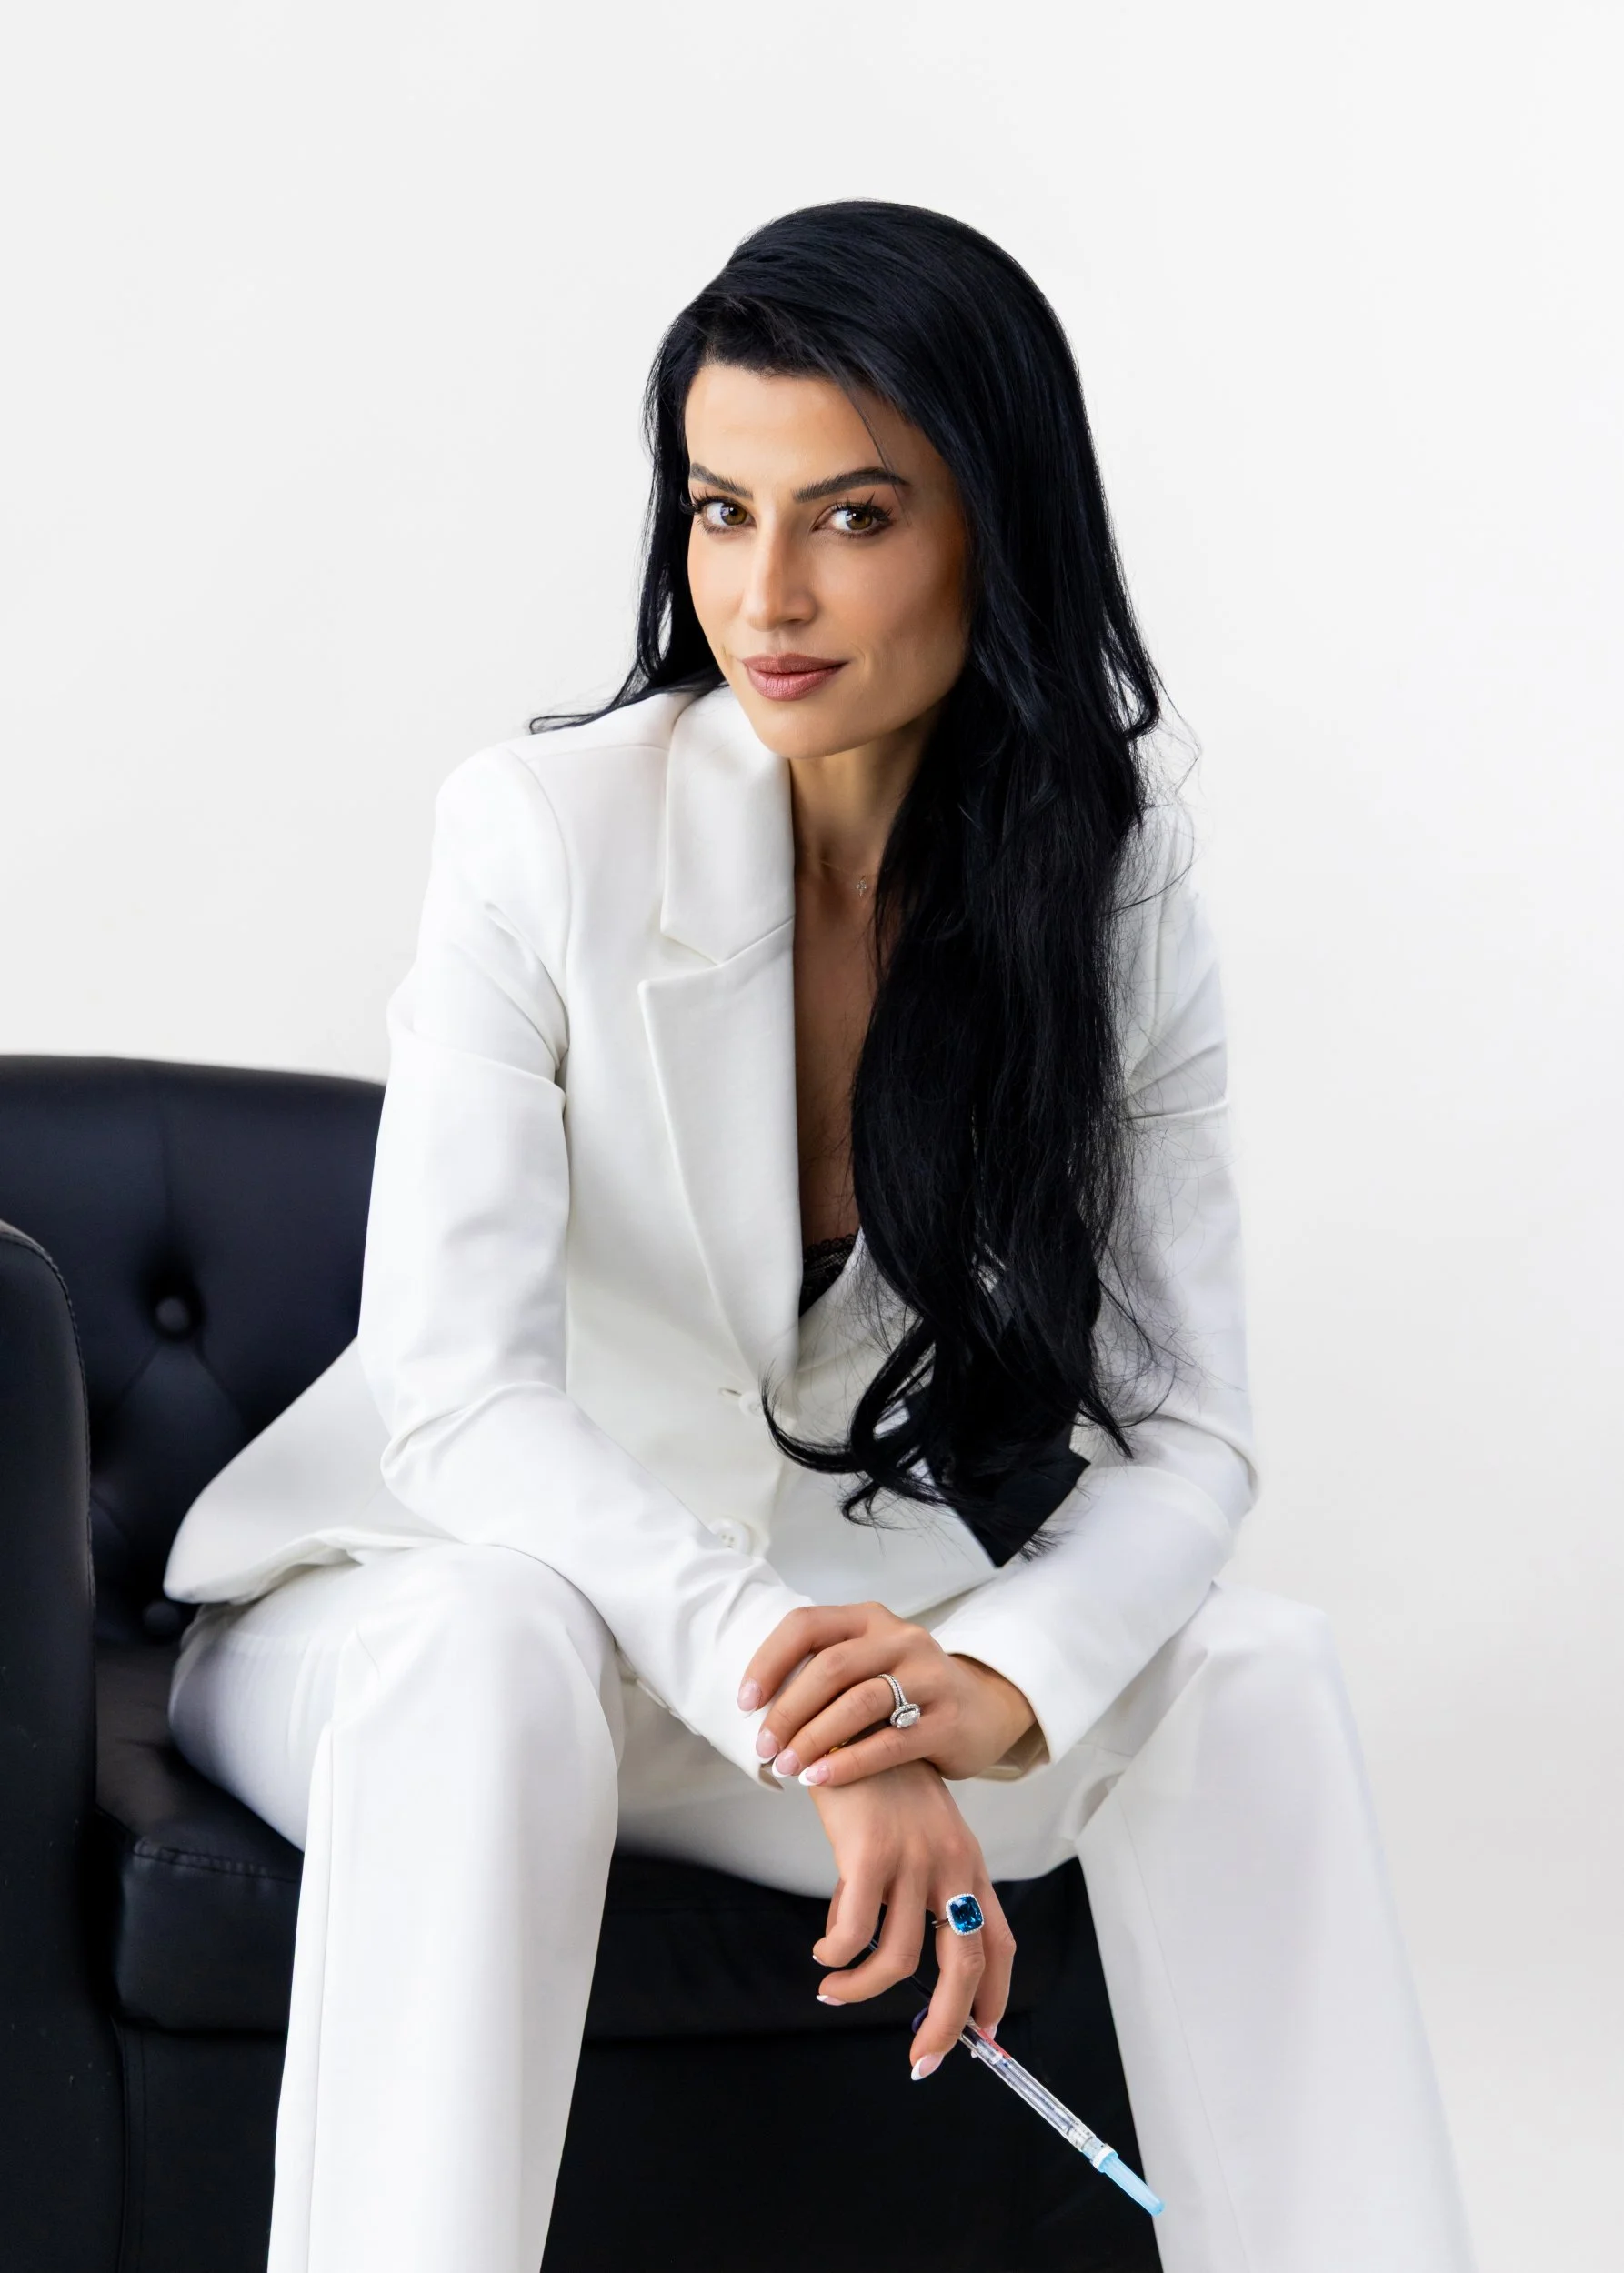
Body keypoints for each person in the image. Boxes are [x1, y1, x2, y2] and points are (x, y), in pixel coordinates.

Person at [162, 199, 1475, 2273]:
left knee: (1247, 1667)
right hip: (411, 1620)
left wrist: (985, 1684)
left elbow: (1185, 1442)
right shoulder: (537, 832)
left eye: (848, 517)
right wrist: (820, 1713)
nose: (761, 593)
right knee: (493, 1648)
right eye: (716, 510)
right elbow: (458, 1397)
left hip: (790, 1641)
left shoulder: (1103, 901)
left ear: (991, 530)